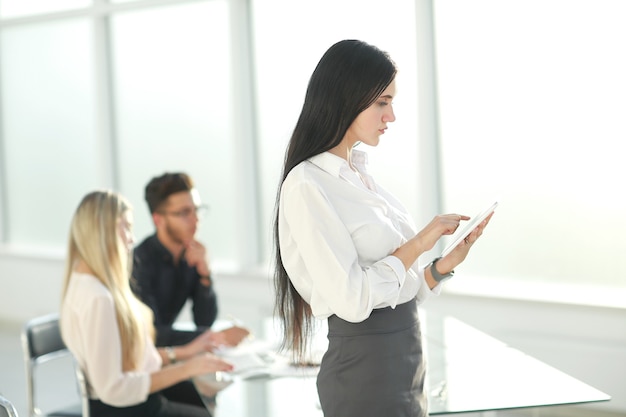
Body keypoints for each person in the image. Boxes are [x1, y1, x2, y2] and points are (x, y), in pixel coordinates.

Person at [273, 39, 493, 417]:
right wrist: (421, 239)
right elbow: (354, 301)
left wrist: (441, 264)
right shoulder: (307, 184)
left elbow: (397, 293)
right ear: (347, 98)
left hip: (405, 363)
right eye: (382, 102)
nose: (391, 116)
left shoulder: (360, 176)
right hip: (364, 374)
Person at [60, 190, 233, 417]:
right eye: (126, 226)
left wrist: (184, 354)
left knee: (197, 398)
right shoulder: (99, 298)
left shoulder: (85, 281)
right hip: (123, 407)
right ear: (100, 230)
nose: (132, 238)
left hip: (131, 395)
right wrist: (186, 368)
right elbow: (113, 389)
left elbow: (132, 358)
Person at [133, 172, 248, 348]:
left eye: (197, 210)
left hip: (167, 356)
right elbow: (152, 334)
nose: (196, 219)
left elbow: (204, 321)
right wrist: (214, 337)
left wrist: (205, 276)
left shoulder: (191, 255)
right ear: (158, 220)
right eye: (185, 212)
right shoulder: (138, 262)